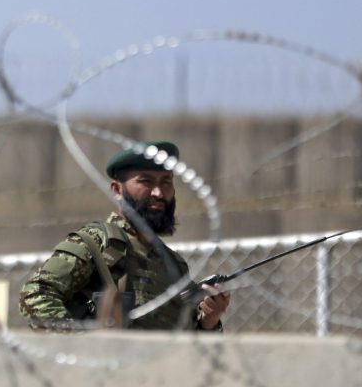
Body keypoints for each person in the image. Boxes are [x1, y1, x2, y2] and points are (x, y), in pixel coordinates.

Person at [19, 141, 230, 331]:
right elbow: (36, 294)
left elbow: (185, 339)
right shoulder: (96, 242)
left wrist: (209, 321)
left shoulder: (174, 264)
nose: (158, 193)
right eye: (146, 182)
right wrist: (84, 346)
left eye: (166, 182)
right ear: (117, 190)